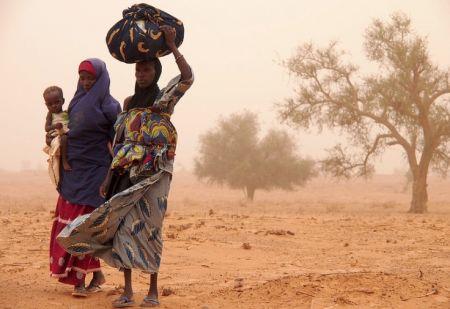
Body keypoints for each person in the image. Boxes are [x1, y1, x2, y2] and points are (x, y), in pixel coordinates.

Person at [57, 25, 194, 307]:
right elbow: (120, 143)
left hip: (154, 174)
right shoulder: (129, 102)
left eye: (147, 70)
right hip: (124, 173)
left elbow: (188, 78)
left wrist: (172, 44)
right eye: (138, 71)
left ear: (156, 72)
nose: (142, 74)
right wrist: (108, 177)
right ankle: (127, 291)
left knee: (151, 229)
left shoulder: (163, 100)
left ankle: (153, 291)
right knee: (122, 229)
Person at [49, 58, 121, 297]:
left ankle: (79, 280)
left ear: (101, 78)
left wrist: (108, 178)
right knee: (66, 223)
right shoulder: (76, 101)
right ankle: (97, 274)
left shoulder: (111, 106)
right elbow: (65, 129)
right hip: (72, 173)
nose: (87, 82)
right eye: (83, 78)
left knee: (83, 227)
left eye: (91, 78)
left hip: (95, 174)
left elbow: (117, 143)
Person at [43, 86, 70, 187]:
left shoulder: (66, 113)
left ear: (63, 101)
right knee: (63, 138)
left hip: (65, 132)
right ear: (46, 105)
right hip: (55, 135)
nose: (53, 106)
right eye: (50, 104)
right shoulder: (50, 115)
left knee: (65, 137)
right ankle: (64, 161)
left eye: (56, 102)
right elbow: (47, 128)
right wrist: (55, 126)